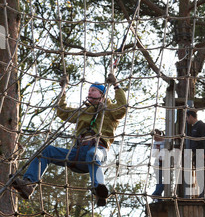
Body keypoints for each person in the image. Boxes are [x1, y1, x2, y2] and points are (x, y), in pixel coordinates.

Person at [11, 73, 127, 207]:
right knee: (46, 151)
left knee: (93, 154)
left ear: (102, 94)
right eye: (89, 90)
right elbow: (62, 111)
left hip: (98, 150)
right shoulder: (83, 112)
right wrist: (63, 90)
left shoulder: (110, 110)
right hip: (77, 154)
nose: (89, 92)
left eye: (93, 90)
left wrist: (116, 86)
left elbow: (122, 108)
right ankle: (28, 184)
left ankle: (99, 190)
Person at [186, 109, 205, 197]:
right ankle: (200, 192)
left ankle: (203, 193)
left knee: (201, 174)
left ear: (190, 116)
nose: (186, 120)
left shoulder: (201, 125)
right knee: (198, 174)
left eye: (187, 118)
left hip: (200, 152)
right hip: (195, 154)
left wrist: (204, 152)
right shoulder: (193, 127)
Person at [151, 129, 165, 200]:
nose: (155, 138)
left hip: (165, 163)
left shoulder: (165, 141)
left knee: (166, 180)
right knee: (159, 180)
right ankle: (158, 197)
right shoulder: (155, 143)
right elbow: (153, 154)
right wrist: (158, 149)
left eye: (156, 136)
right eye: (154, 137)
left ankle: (156, 193)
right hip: (158, 163)